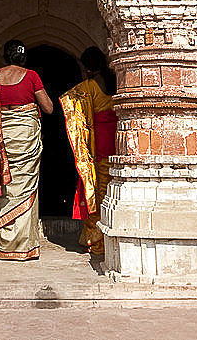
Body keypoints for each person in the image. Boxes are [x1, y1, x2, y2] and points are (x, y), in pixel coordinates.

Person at [0, 39, 53, 261]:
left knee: (4, 185)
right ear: (24, 57)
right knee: (25, 188)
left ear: (5, 56)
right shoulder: (31, 76)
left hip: (0, 140)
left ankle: (4, 245)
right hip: (25, 140)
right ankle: (23, 248)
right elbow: (48, 108)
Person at [59, 46, 117, 255]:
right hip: (117, 138)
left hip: (99, 141)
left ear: (87, 66)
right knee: (111, 186)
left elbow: (69, 100)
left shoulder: (90, 86)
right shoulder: (116, 82)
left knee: (98, 190)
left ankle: (96, 240)